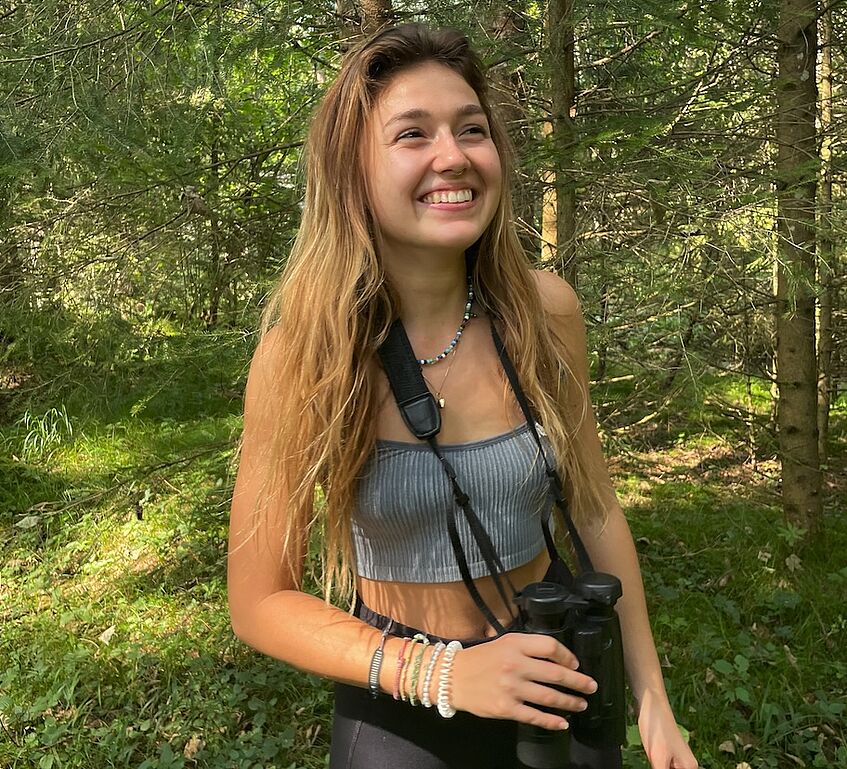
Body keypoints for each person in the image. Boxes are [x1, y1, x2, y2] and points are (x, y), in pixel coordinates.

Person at [227, 22, 698, 769]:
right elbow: (258, 601)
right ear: (352, 170)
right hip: (401, 706)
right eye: (411, 134)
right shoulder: (306, 356)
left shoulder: (544, 314)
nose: (453, 155)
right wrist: (445, 673)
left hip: (557, 676)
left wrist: (649, 694)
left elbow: (593, 505)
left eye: (471, 129)